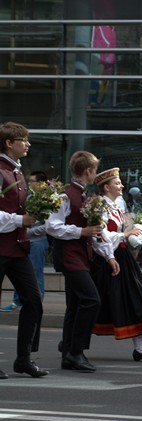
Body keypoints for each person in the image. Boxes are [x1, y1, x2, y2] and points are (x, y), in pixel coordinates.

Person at [47, 150, 119, 372]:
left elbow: (93, 231)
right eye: (94, 170)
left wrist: (108, 255)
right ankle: (76, 351)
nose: (95, 173)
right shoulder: (66, 196)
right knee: (91, 300)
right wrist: (82, 231)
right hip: (70, 257)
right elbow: (53, 227)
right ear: (88, 171)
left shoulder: (84, 196)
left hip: (81, 256)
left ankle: (69, 353)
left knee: (75, 305)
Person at [91, 167, 142, 362]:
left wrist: (137, 231)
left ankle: (140, 348)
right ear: (106, 187)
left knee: (135, 299)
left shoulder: (117, 205)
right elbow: (100, 236)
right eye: (117, 183)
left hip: (122, 257)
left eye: (120, 182)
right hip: (107, 259)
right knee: (95, 303)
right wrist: (125, 234)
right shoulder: (99, 207)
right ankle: (72, 341)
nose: (121, 185)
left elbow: (123, 229)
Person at [0, 122, 47, 378]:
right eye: (24, 139)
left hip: (17, 249)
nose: (28, 144)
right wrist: (20, 221)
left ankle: (23, 359)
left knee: (33, 300)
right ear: (9, 143)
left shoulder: (16, 171)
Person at [2, 171, 50, 312]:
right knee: (23, 275)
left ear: (42, 183)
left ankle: (36, 303)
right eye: (28, 181)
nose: (29, 184)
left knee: (35, 274)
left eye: (32, 181)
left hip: (37, 241)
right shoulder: (29, 197)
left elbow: (47, 226)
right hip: (24, 241)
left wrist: (27, 231)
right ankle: (18, 301)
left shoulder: (46, 199)